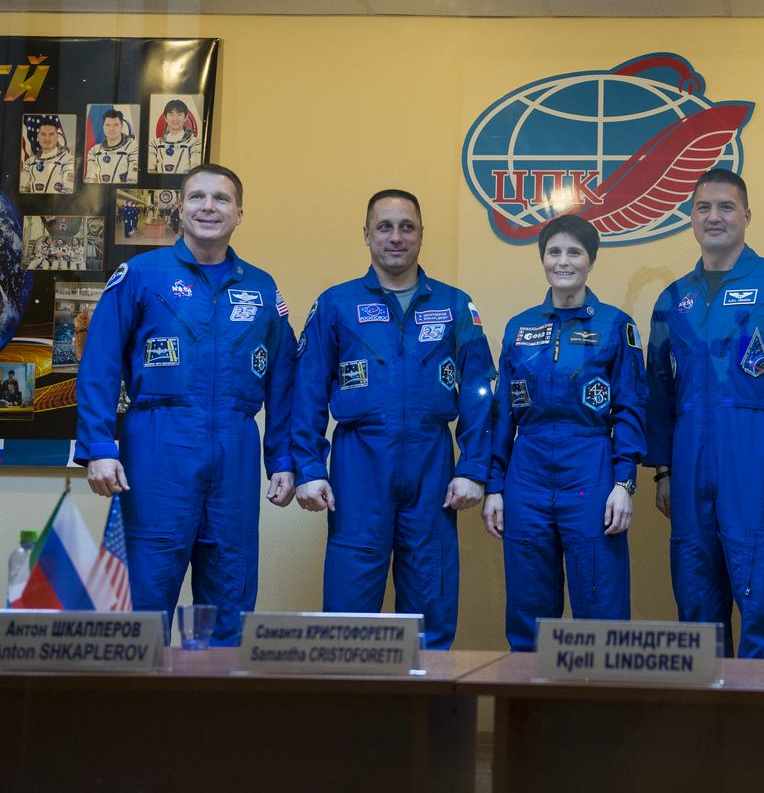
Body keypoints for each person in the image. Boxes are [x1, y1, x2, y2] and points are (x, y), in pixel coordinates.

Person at [75, 163, 296, 645]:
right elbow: (99, 364)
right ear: (179, 208)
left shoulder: (262, 289)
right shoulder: (140, 275)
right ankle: (139, 714)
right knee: (145, 597)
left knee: (228, 595)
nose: (209, 207)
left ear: (240, 213)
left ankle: (213, 716)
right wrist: (98, 445)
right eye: (197, 197)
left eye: (221, 199)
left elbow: (284, 379)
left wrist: (280, 458)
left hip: (235, 450)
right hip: (157, 446)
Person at [292, 189, 493, 649]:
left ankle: (430, 720)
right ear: (366, 235)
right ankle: (351, 721)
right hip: (358, 466)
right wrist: (307, 468)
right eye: (385, 226)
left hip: (432, 469)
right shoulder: (335, 305)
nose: (396, 237)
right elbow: (307, 392)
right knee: (347, 616)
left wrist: (473, 469)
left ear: (422, 235)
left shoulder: (456, 307)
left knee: (432, 609)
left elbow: (482, 393)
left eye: (407, 227)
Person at [645, 168, 764, 659]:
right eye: (704, 207)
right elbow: (657, 389)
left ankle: (761, 728)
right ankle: (704, 727)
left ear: (747, 215)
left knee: (763, 587)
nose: (714, 216)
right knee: (696, 595)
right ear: (691, 218)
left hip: (757, 457)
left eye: (726, 207)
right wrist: (662, 470)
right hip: (688, 460)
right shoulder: (673, 299)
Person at [482, 214, 647, 651]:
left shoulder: (616, 325)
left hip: (590, 468)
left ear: (591, 261)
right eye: (554, 252)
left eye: (574, 251)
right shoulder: (519, 327)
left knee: (601, 608)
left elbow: (631, 407)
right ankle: (528, 716)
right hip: (527, 472)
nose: (563, 261)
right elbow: (502, 413)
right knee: (527, 610)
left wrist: (623, 482)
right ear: (543, 260)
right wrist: (494, 486)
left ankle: (598, 712)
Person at [19, 118, 74, 194]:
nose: (47, 138)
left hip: (58, 205)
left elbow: (69, 191)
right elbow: (23, 190)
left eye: (51, 134)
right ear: (38, 137)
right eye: (43, 134)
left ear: (57, 136)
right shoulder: (29, 162)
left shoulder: (68, 160)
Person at [85, 109, 138, 184]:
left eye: (116, 125)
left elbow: (133, 181)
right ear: (103, 127)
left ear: (122, 126)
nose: (111, 129)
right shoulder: (94, 151)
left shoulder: (133, 149)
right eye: (107, 125)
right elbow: (90, 180)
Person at [149, 99, 202, 175]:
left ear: (186, 117)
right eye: (171, 114)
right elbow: (150, 171)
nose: (175, 119)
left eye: (179, 114)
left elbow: (196, 171)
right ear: (165, 118)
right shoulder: (155, 144)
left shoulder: (194, 143)